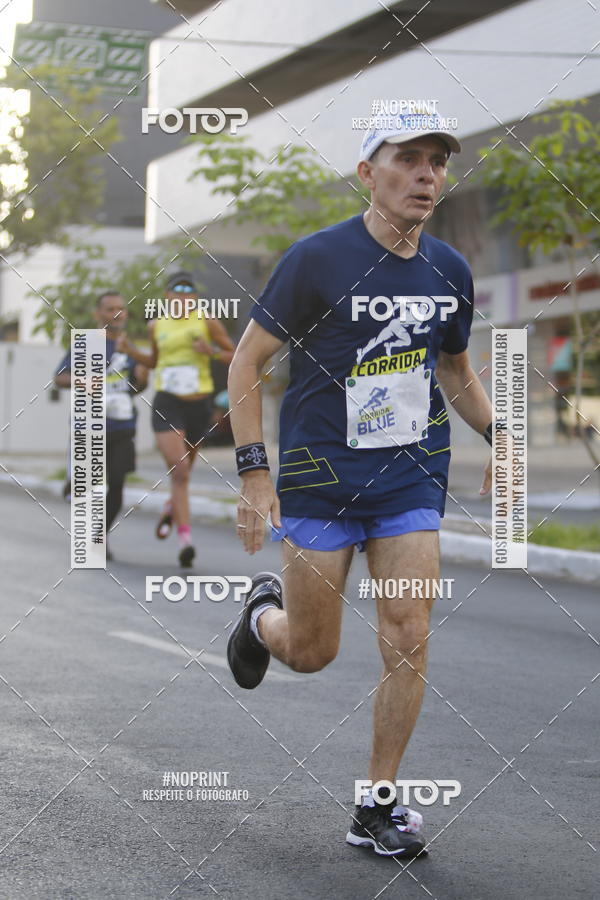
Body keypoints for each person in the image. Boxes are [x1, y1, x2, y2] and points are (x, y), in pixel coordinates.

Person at [226, 120, 495, 857]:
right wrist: (255, 474)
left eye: (436, 164)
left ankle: (377, 803)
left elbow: (455, 372)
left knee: (408, 635)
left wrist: (504, 437)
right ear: (365, 173)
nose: (425, 175)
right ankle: (260, 620)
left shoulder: (449, 269)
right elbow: (245, 364)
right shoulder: (316, 259)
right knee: (312, 652)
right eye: (407, 160)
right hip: (319, 476)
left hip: (409, 475)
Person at [119, 272, 235, 568]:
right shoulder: (156, 325)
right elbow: (155, 362)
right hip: (167, 403)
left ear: (194, 298)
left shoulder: (207, 321)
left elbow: (235, 356)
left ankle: (172, 508)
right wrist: (132, 351)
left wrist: (211, 351)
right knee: (180, 469)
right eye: (177, 293)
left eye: (188, 293)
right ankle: (186, 541)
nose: (183, 298)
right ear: (167, 297)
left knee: (181, 475)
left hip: (199, 406)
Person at [54, 291, 148, 560]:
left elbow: (134, 387)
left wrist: (142, 378)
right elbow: (59, 378)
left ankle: (100, 536)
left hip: (122, 425)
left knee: (116, 484)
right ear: (98, 314)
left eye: (121, 309)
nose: (116, 314)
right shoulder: (86, 342)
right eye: (110, 309)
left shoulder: (129, 347)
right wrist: (83, 381)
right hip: (89, 425)